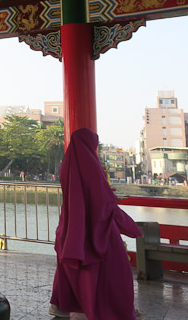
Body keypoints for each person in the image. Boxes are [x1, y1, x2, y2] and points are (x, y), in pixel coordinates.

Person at [49, 128, 143, 320]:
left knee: (72, 267)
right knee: (115, 271)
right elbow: (102, 198)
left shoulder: (67, 164)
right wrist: (123, 220)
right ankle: (112, 310)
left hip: (71, 225)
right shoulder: (90, 164)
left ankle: (71, 306)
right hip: (95, 225)